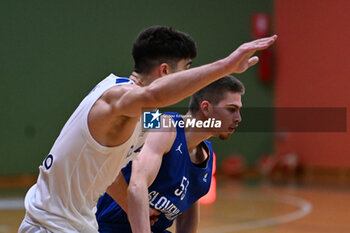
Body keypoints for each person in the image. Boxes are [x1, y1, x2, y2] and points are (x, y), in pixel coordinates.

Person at [19, 24, 276, 232]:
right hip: (50, 225)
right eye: (186, 70)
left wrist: (214, 123)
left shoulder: (144, 117)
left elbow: (177, 127)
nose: (189, 80)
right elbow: (155, 97)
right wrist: (227, 65)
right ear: (165, 71)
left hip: (81, 225)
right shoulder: (116, 97)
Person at [96, 75, 245, 233]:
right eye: (231, 110)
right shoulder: (163, 126)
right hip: (106, 226)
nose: (238, 118)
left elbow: (188, 217)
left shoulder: (205, 154)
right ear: (206, 108)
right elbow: (136, 186)